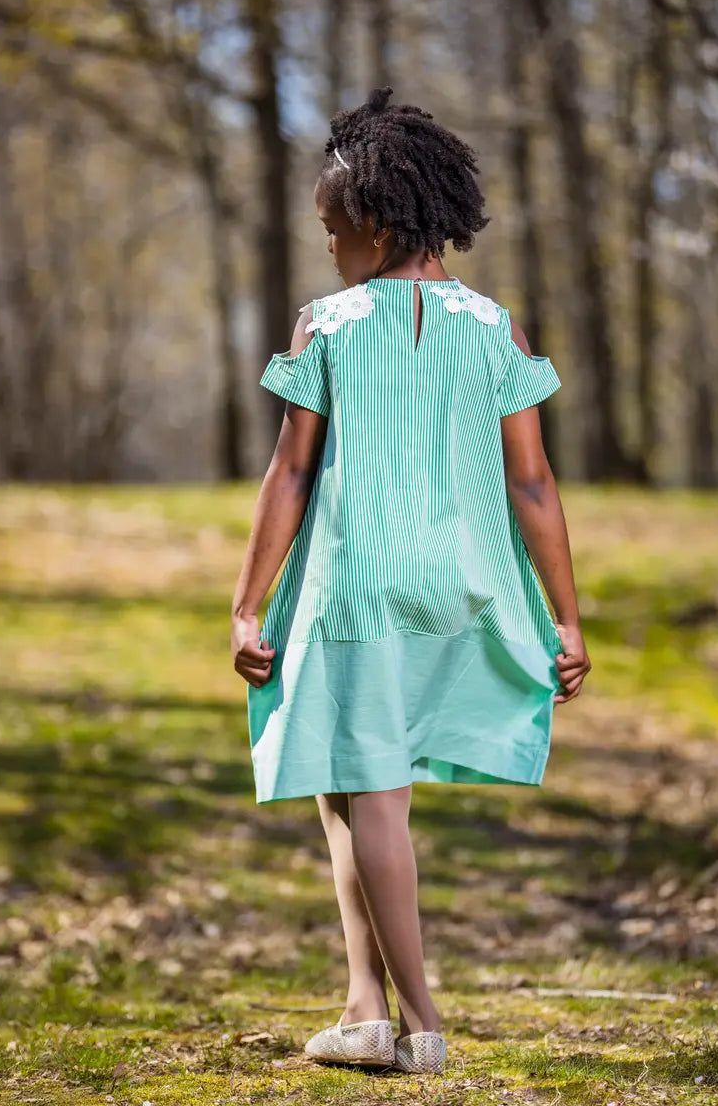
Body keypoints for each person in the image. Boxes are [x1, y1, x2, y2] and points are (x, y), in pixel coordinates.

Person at [231, 86, 590, 1075]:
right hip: (461, 586)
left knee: (375, 795)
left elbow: (290, 471)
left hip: (359, 586)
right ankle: (363, 1009)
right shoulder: (496, 327)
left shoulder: (327, 325)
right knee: (342, 782)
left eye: (333, 229)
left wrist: (247, 603)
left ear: (377, 227)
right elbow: (532, 482)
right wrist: (564, 618)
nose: (327, 247)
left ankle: (421, 1025)